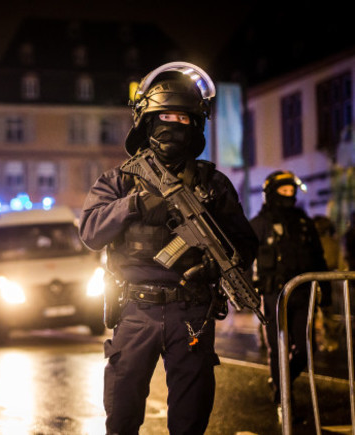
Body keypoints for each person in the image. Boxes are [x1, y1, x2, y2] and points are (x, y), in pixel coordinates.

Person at [79, 62, 258, 435]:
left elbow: (244, 243)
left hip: (192, 310)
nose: (173, 125)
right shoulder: (120, 181)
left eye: (182, 118)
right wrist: (133, 205)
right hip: (135, 310)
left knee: (190, 419)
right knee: (123, 415)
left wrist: (215, 267)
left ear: (196, 125)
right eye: (164, 116)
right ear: (146, 121)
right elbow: (90, 232)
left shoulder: (212, 185)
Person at [250, 170, 329, 421]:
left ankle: (282, 382)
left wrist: (325, 292)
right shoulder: (259, 224)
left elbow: (318, 257)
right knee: (278, 347)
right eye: (283, 191)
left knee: (306, 349)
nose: (288, 195)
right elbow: (244, 259)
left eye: (290, 190)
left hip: (303, 293)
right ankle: (283, 395)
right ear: (272, 193)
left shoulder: (303, 222)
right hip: (274, 295)